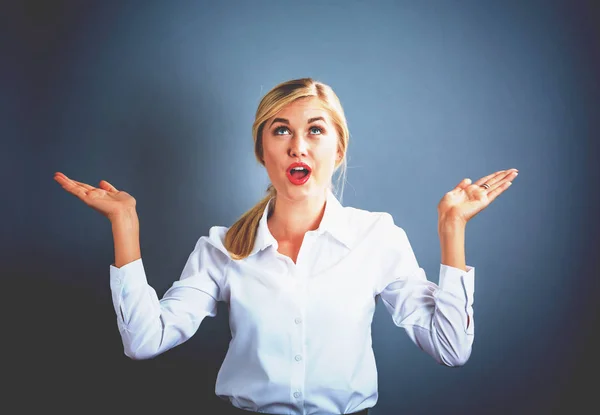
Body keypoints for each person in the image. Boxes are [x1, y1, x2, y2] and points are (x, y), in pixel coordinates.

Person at [54, 77, 518, 415]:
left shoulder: (376, 237)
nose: (298, 146)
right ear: (262, 150)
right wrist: (125, 223)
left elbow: (451, 348)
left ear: (337, 151)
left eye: (315, 130)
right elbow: (143, 340)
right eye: (281, 130)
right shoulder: (222, 248)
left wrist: (452, 228)